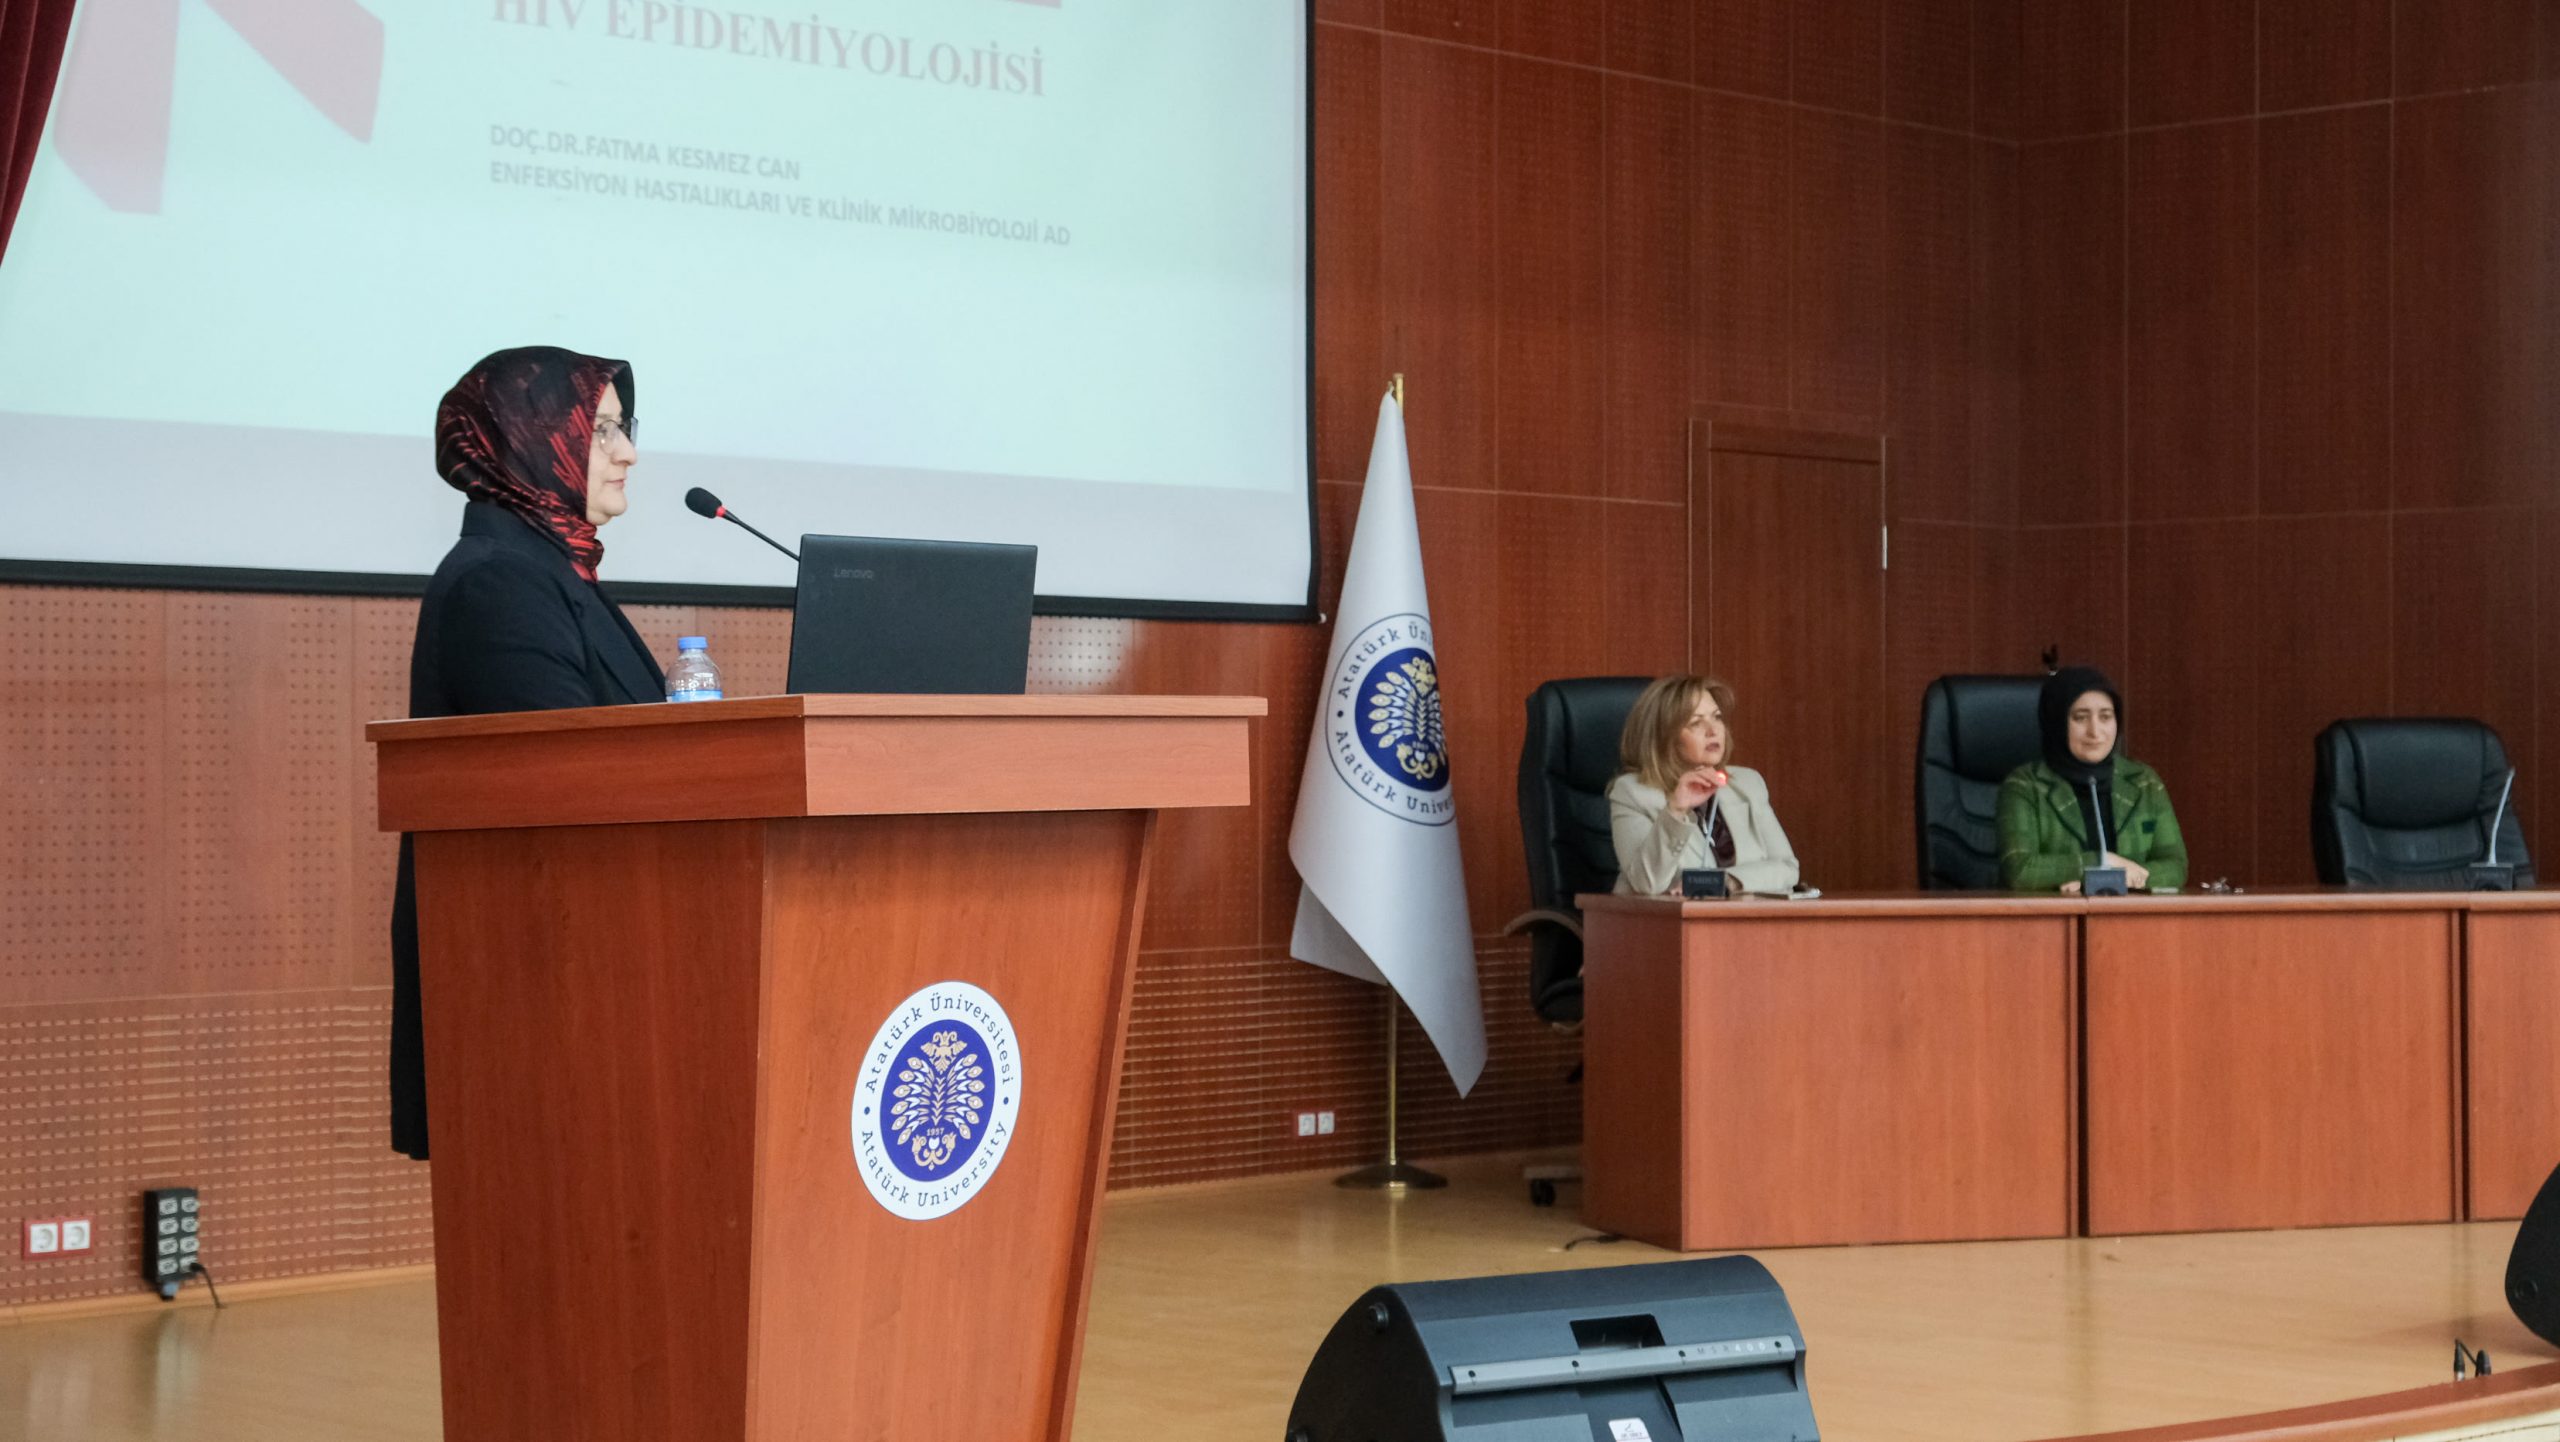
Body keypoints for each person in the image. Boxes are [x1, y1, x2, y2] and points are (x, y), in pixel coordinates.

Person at [389, 346, 662, 1160]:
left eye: (625, 427)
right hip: (535, 995)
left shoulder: (555, 574)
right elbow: (564, 787)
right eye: (601, 429)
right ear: (534, 437)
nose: (628, 452)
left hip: (593, 978)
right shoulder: (501, 584)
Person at [1996, 666, 2188, 894]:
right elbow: (2019, 870)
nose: (2095, 732)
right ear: (2057, 722)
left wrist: (2113, 877)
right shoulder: (2025, 785)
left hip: (2132, 914)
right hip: (2056, 916)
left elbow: (2175, 866)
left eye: (2105, 717)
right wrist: (2099, 861)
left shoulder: (2143, 782)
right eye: (2080, 718)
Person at [1609, 674, 1799, 896]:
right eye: (1696, 722)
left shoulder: (1747, 784)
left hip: (1744, 915)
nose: (1713, 730)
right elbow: (1647, 884)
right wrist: (1676, 810)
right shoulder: (1634, 793)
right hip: (1662, 918)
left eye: (1717, 717)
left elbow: (1787, 867)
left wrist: (1728, 881)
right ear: (1664, 737)